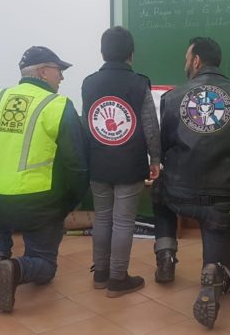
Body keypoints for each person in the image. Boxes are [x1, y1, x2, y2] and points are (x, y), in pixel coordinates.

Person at [153, 37, 230, 329]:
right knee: (225, 272)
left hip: (178, 194)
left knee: (158, 193)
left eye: (186, 57)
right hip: (224, 200)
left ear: (195, 61)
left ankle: (166, 255)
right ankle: (216, 274)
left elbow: (163, 147)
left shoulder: (172, 98)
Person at [0, 46, 89, 312]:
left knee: (1, 202)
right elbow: (76, 163)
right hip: (38, 203)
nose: (61, 78)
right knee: (45, 265)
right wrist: (71, 202)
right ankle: (16, 267)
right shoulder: (58, 105)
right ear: (43, 71)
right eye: (59, 71)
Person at [81, 26, 161, 297]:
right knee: (124, 221)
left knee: (102, 218)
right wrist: (156, 158)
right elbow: (150, 125)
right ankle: (117, 279)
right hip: (129, 163)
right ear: (131, 54)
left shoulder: (89, 82)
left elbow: (89, 123)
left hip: (98, 161)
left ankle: (101, 274)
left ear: (102, 52)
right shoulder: (139, 83)